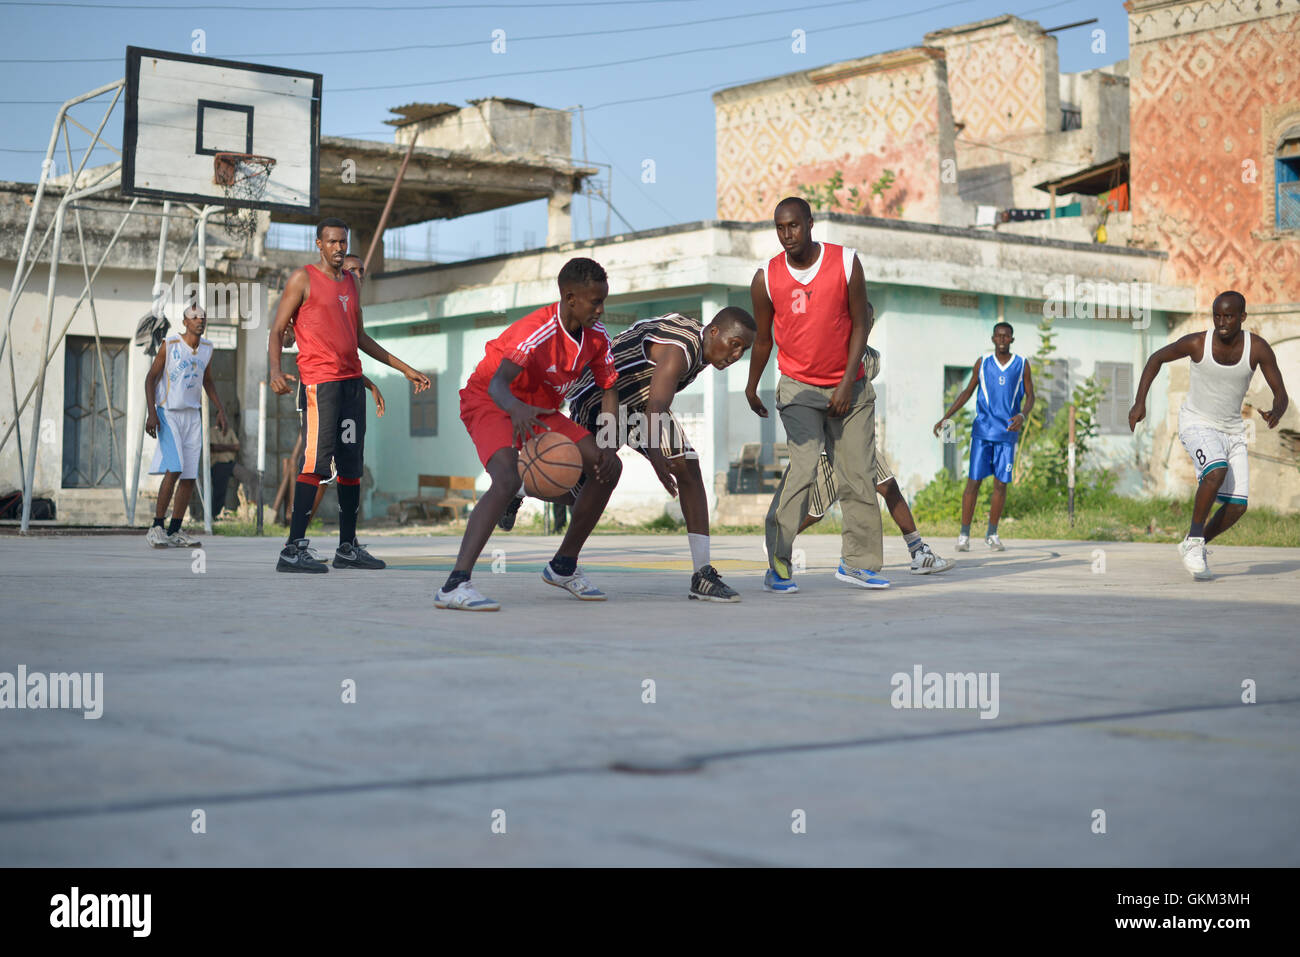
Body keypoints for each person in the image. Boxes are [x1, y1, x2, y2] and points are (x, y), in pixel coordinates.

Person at [435, 257, 621, 611]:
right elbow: (497, 383)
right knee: (504, 479)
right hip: (491, 400)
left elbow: (608, 387)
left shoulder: (598, 337)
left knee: (605, 467)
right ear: (570, 298)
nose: (601, 309)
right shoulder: (536, 329)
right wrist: (515, 409)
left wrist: (609, 444)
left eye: (603, 301)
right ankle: (455, 584)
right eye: (594, 301)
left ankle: (563, 566)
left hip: (541, 410)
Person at [268, 217, 430, 572]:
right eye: (333, 242)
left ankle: (347, 547)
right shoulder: (303, 278)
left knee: (352, 466)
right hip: (320, 384)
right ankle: (292, 549)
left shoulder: (352, 286)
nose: (339, 248)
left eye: (344, 241)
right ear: (319, 244)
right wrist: (276, 371)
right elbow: (278, 328)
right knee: (315, 464)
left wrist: (404, 369)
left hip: (351, 385)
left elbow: (360, 338)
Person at [561, 307, 757, 601]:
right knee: (577, 487)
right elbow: (656, 407)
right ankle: (521, 489)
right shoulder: (682, 349)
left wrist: (658, 452)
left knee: (688, 466)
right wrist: (655, 456)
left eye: (744, 349)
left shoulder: (703, 346)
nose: (737, 354)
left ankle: (702, 574)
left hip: (636, 406)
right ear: (714, 331)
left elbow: (653, 405)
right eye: (735, 344)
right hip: (599, 399)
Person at [747, 196, 887, 594]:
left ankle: (858, 564)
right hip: (798, 387)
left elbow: (861, 323)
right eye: (779, 227)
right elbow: (762, 338)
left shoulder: (845, 262)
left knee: (857, 474)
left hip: (851, 386)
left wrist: (846, 383)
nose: (786, 234)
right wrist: (751, 384)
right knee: (804, 468)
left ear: (810, 224)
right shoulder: (766, 277)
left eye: (793, 225)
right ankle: (778, 563)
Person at [1129, 290, 1288, 580]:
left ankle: (1195, 543)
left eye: (1229, 316)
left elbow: (1281, 395)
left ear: (1242, 317)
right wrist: (1140, 402)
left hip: (1233, 431)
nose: (1222, 322)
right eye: (1217, 315)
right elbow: (1155, 358)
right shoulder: (1197, 343)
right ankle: (1194, 539)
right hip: (1196, 423)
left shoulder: (1258, 348)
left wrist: (1276, 411)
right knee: (1216, 469)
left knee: (1238, 507)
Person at [932, 322, 1034, 552]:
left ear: (1012, 340)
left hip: (1007, 433)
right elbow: (967, 392)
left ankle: (992, 533)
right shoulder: (983, 361)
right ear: (992, 338)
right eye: (998, 335)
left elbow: (1031, 396)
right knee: (973, 482)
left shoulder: (1022, 364)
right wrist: (946, 417)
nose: (1002, 339)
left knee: (1000, 485)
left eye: (1006, 336)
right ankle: (964, 535)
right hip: (983, 432)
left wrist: (1022, 415)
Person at [144, 302, 228, 547]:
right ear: (185, 322)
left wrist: (220, 409)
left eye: (203, 316)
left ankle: (175, 531)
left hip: (193, 415)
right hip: (168, 412)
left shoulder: (207, 349)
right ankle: (157, 526)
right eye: (194, 316)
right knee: (176, 467)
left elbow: (208, 380)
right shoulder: (170, 345)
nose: (200, 319)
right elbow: (150, 379)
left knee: (190, 475)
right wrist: (152, 413)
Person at [206, 402, 258, 520]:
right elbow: (213, 448)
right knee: (220, 491)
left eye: (225, 416)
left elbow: (237, 447)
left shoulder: (230, 431)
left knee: (252, 477)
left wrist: (221, 447)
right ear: (217, 418)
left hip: (230, 464)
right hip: (217, 465)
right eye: (221, 416)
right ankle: (215, 516)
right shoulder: (212, 431)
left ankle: (252, 510)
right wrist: (228, 447)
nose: (224, 419)